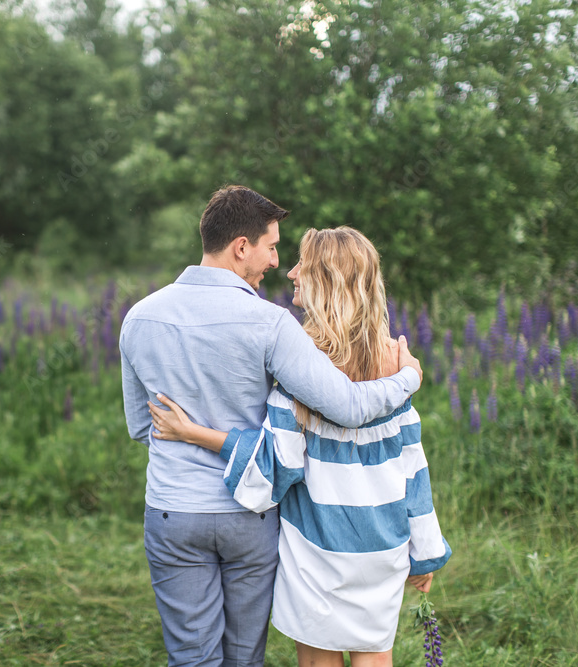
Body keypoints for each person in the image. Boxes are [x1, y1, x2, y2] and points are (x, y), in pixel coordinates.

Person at [119, 186, 424, 667]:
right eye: (272, 246)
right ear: (242, 246)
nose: (278, 262)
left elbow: (141, 427)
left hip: (173, 509)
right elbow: (344, 405)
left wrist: (190, 432)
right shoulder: (272, 323)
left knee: (191, 656)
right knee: (244, 656)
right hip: (250, 514)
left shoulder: (138, 317)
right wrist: (408, 378)